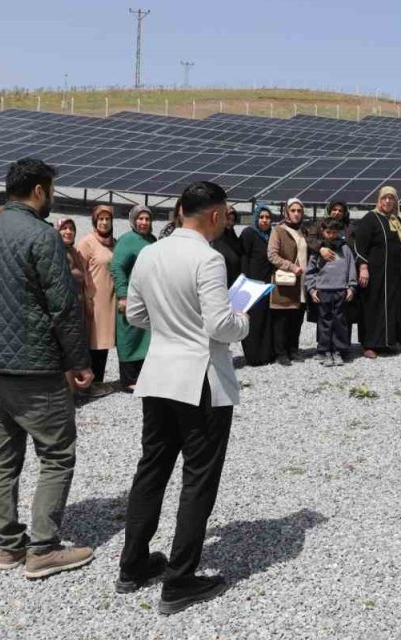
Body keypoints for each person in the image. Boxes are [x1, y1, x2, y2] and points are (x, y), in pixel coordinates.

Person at [119, 180, 250, 615]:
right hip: (199, 377)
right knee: (198, 478)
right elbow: (219, 325)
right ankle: (179, 580)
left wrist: (170, 324)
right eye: (225, 214)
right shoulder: (208, 258)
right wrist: (243, 319)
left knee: (152, 469)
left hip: (158, 375)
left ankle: (133, 563)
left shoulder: (150, 253)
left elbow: (136, 313)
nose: (226, 221)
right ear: (214, 215)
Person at [0, 158, 94, 579]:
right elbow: (63, 306)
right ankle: (43, 548)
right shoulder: (42, 235)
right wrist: (79, 361)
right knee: (56, 454)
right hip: (35, 365)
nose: (52, 196)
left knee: (4, 456)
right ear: (40, 190)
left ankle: (8, 546)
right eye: (51, 189)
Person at [353, 186, 401, 358]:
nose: (387, 201)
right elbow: (360, 245)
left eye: (391, 198)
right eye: (384, 198)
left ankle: (388, 342)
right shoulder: (370, 219)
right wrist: (363, 267)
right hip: (376, 273)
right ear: (379, 199)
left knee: (392, 306)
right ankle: (369, 344)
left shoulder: (396, 220)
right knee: (373, 307)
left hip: (394, 274)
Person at [110, 205, 157, 392]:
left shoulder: (152, 240)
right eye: (140, 219)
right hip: (131, 296)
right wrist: (122, 295)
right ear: (133, 220)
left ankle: (143, 376)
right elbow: (117, 267)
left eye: (147, 219)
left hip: (149, 297)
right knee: (129, 335)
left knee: (145, 336)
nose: (143, 222)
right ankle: (128, 379)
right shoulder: (127, 240)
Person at [76, 204, 117, 396]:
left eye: (107, 219)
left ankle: (98, 381)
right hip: (93, 299)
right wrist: (84, 297)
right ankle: (87, 384)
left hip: (109, 300)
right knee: (91, 341)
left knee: (103, 341)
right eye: (101, 219)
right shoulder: (87, 242)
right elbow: (79, 270)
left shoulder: (114, 243)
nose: (104, 222)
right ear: (95, 221)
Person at [305, 219, 358, 366]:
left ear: (339, 232)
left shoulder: (345, 249)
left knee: (340, 322)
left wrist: (351, 287)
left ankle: (338, 351)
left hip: (341, 290)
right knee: (324, 322)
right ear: (322, 231)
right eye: (328, 232)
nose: (331, 235)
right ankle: (325, 350)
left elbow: (351, 268)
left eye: (334, 232)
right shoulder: (318, 251)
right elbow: (310, 271)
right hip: (323, 291)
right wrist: (312, 289)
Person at [267, 198, 309, 366]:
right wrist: (291, 267)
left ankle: (293, 349)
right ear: (286, 212)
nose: (296, 214)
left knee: (296, 319)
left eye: (299, 211)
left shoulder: (303, 231)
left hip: (302, 282)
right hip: (286, 281)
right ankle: (281, 353)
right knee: (282, 320)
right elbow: (272, 255)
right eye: (293, 210)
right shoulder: (278, 230)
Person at [239, 206, 275, 366]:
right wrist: (245, 280)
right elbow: (244, 256)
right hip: (252, 282)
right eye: (261, 217)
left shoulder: (272, 235)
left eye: (267, 217)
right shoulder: (249, 233)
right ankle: (253, 356)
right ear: (256, 218)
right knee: (253, 320)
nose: (264, 220)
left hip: (267, 283)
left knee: (266, 319)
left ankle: (266, 354)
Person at [209, 205, 242, 283]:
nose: (230, 223)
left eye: (233, 220)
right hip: (220, 279)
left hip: (233, 280)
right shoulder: (215, 237)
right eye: (228, 219)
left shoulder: (232, 236)